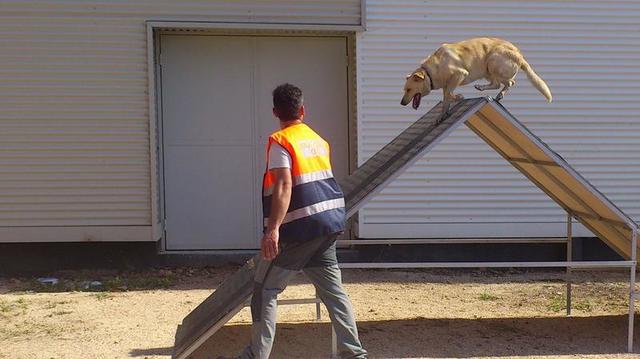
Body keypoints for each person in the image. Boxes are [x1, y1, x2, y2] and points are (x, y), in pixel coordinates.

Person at [226, 83, 367, 359]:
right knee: (334, 293)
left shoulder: (281, 141)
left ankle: (256, 355)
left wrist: (273, 230)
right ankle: (354, 353)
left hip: (300, 229)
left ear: (275, 111)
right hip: (328, 224)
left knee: (264, 289)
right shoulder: (318, 140)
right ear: (302, 110)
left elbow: (283, 186)